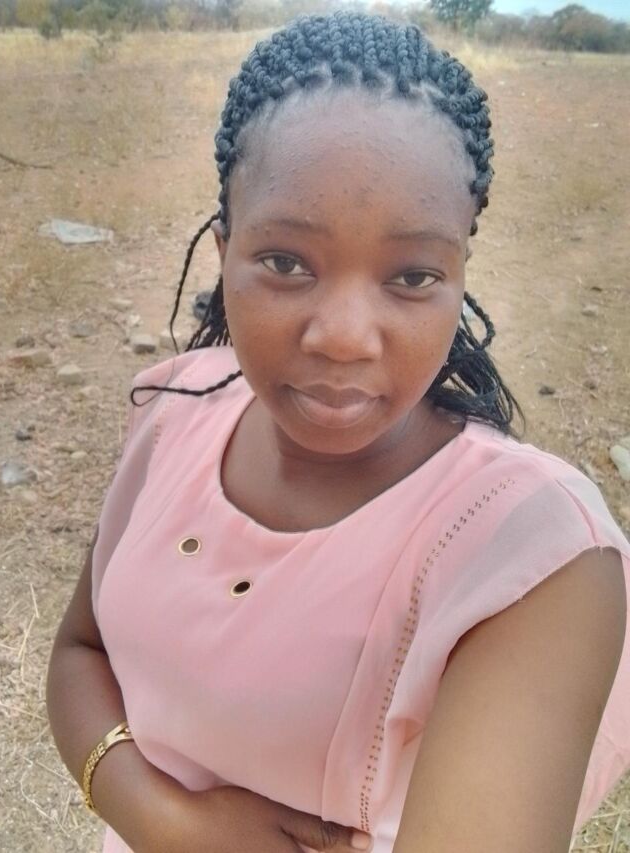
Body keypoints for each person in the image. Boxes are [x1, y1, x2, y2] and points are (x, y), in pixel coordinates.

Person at [46, 11, 630, 853]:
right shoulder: (175, 411)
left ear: (459, 276)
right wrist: (166, 821)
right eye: (287, 263)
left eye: (412, 276)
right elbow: (80, 650)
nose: (345, 337)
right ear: (225, 253)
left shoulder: (533, 555)